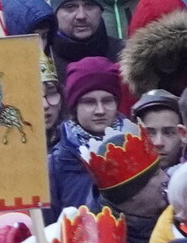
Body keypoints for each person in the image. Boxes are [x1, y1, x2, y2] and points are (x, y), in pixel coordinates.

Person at [50, 56, 129, 215]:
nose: (100, 110)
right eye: (89, 102)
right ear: (75, 107)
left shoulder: (137, 148)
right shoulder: (55, 164)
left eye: (107, 101)